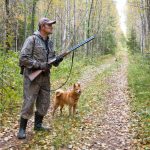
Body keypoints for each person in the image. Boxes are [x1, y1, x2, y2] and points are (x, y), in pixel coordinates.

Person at [17, 18, 63, 139]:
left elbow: (52, 60)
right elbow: (23, 58)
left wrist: (57, 60)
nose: (52, 27)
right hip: (32, 77)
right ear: (42, 26)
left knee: (45, 102)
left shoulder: (50, 42)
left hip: (45, 77)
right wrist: (40, 65)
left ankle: (38, 125)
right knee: (29, 102)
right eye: (49, 25)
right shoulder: (31, 39)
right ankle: (21, 129)